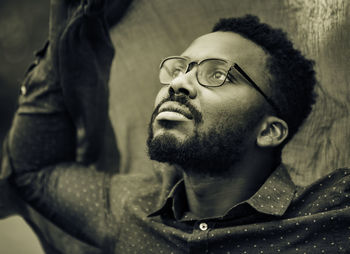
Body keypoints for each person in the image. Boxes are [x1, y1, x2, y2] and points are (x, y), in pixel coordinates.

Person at [2, 0, 350, 253]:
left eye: (216, 74)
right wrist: (72, 28)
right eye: (180, 68)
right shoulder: (133, 208)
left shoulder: (332, 213)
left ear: (269, 131)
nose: (179, 83)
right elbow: (34, 169)